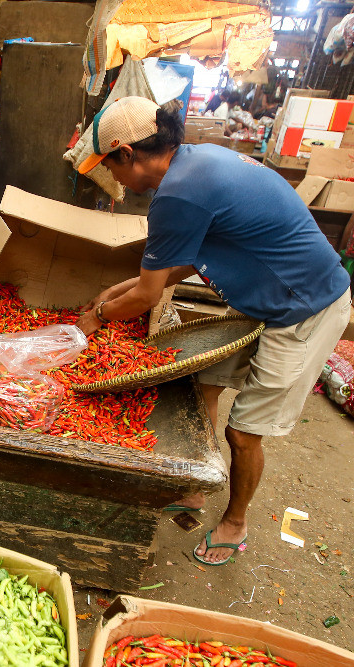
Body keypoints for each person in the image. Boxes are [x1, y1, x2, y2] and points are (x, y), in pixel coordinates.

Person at [74, 96, 351, 567]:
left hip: (304, 308)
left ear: (126, 152)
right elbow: (175, 267)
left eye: (110, 166)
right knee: (203, 382)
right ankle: (195, 487)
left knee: (245, 431)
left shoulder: (178, 195)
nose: (114, 179)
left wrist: (99, 317)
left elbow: (147, 295)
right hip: (266, 297)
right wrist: (108, 293)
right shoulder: (196, 163)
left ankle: (236, 523)